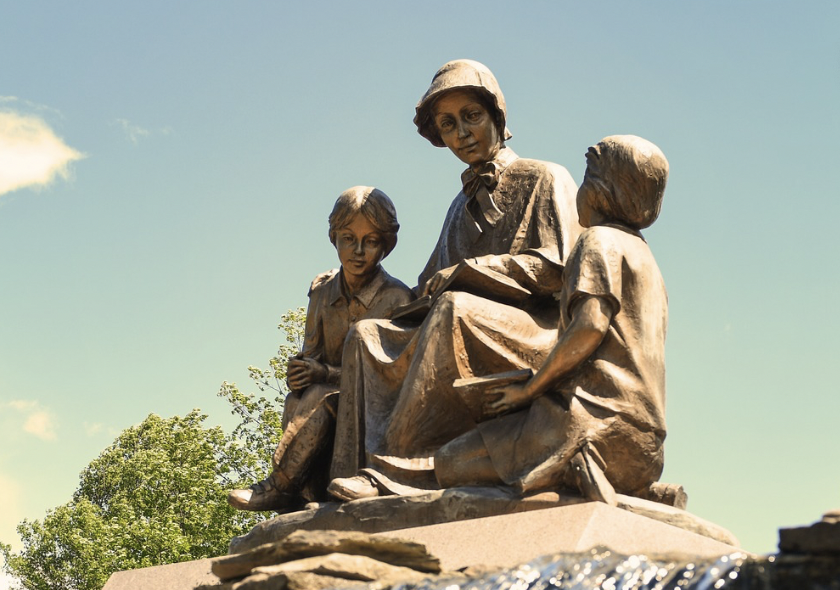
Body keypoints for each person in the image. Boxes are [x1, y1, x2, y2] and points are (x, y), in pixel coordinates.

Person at [328, 60, 579, 500]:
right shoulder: (458, 209)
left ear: (497, 116)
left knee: (452, 309)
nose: (461, 132)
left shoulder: (544, 177)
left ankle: (400, 468)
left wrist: (469, 273)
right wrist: (355, 288)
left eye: (471, 116)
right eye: (448, 124)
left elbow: (559, 268)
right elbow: (426, 286)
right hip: (461, 322)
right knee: (366, 336)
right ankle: (345, 482)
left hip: (533, 331)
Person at [433, 135, 670, 500]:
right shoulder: (646, 258)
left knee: (448, 462)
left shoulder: (598, 241)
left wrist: (528, 390)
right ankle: (634, 489)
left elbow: (590, 326)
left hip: (592, 424)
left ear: (605, 188)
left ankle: (571, 469)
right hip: (646, 445)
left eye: (587, 176)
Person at [228, 186, 412, 512]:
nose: (357, 251)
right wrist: (300, 372)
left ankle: (280, 485)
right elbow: (310, 353)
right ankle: (302, 497)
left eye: (370, 242)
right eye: (347, 239)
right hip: (326, 395)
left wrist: (323, 373)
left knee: (320, 396)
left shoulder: (396, 298)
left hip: (374, 407)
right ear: (333, 238)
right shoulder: (322, 292)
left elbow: (387, 379)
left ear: (385, 246)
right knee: (298, 397)